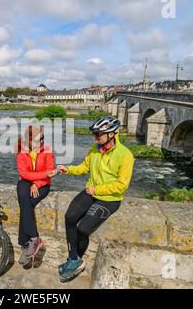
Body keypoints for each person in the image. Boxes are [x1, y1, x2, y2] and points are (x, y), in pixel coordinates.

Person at [56, 116, 134, 282]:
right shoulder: (95, 148)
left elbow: (122, 185)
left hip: (109, 199)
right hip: (91, 192)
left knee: (83, 229)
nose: (96, 137)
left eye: (99, 134)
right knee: (69, 217)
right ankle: (73, 260)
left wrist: (97, 189)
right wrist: (67, 169)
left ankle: (76, 259)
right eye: (95, 134)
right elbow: (84, 167)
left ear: (112, 134)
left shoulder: (125, 155)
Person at [16, 125, 57, 266]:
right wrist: (42, 175)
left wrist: (37, 183)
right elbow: (24, 174)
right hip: (26, 181)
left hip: (43, 184)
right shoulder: (21, 152)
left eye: (42, 139)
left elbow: (50, 171)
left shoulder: (47, 150)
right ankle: (35, 238)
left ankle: (25, 245)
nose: (40, 143)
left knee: (27, 205)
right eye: (37, 140)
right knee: (23, 197)